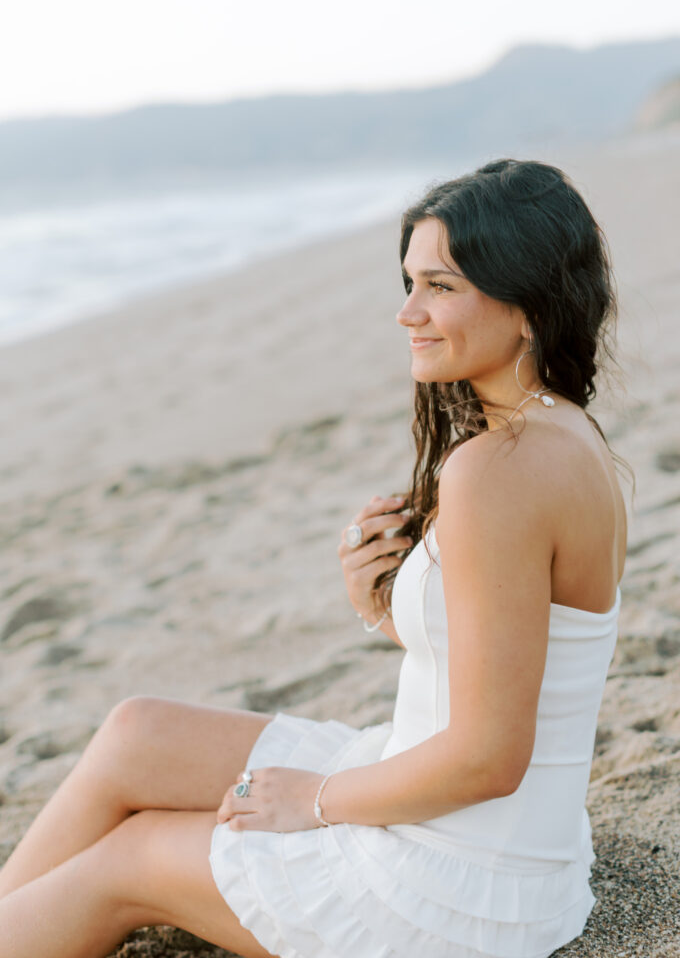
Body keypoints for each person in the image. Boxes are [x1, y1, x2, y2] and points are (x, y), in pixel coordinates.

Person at [0, 158, 630, 958]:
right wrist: (383, 610)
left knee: (129, 857)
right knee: (138, 733)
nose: (407, 313)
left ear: (526, 304)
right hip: (495, 836)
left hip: (460, 883)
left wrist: (318, 799)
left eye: (440, 286)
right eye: (409, 283)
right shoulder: (563, 436)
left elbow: (487, 757)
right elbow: (524, 663)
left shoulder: (496, 471)